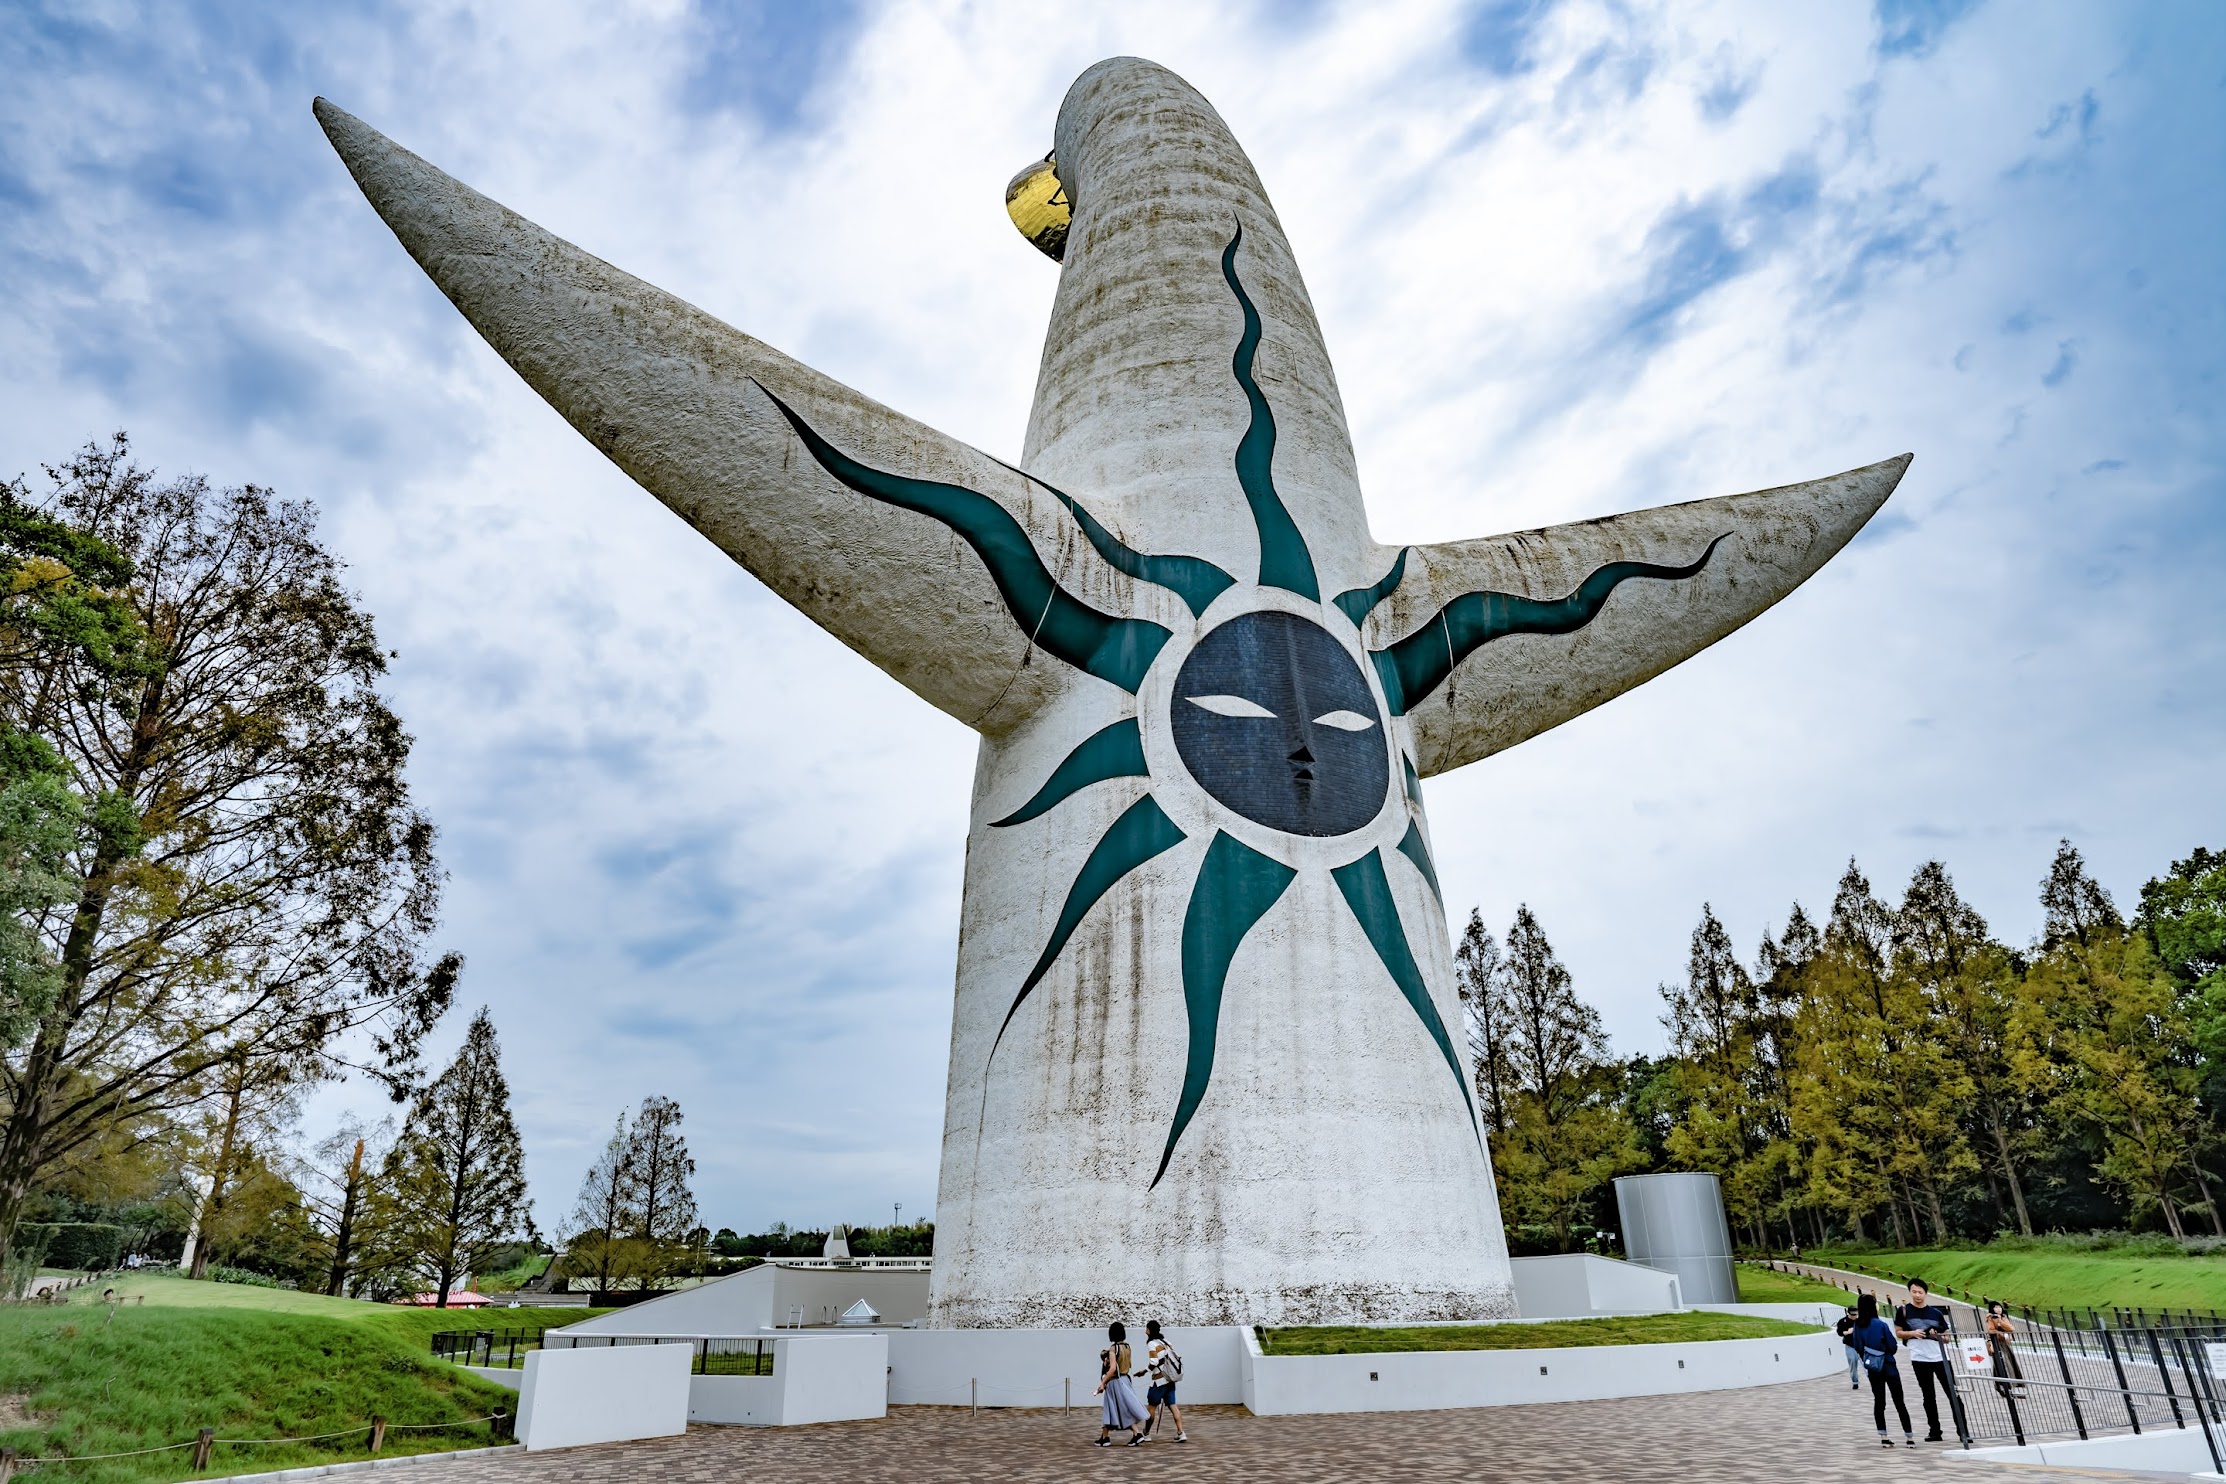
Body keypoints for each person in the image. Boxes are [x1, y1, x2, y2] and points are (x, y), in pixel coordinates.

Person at [1853, 1293, 1915, 1449]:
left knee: (1879, 1401)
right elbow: (1893, 1346)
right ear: (1872, 1306)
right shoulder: (1880, 1325)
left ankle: (1884, 1437)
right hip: (1888, 1365)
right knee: (1899, 1401)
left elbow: (1858, 1346)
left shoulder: (1857, 1326)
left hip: (1873, 1368)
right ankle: (1909, 1437)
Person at [1895, 1279, 1954, 1443]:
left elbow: (1947, 1337)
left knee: (1953, 1393)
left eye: (1920, 1292)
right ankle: (1935, 1432)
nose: (1917, 1295)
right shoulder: (1903, 1311)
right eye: (1914, 1292)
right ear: (1910, 1292)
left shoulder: (1936, 1313)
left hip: (1940, 1357)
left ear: (1926, 1293)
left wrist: (1938, 1335)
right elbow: (1898, 1333)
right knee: (1928, 1396)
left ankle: (1963, 1430)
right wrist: (1912, 1333)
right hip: (1919, 1358)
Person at [1095, 1321, 1147, 1447]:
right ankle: (1105, 1436)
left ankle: (1135, 1433)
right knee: (1120, 1408)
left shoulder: (1113, 1348)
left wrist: (1103, 1382)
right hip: (1125, 1380)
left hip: (1115, 1382)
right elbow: (1127, 1364)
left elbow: (1113, 1368)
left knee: (1113, 1408)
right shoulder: (1127, 1347)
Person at [1137, 1319, 1187, 1443]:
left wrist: (1144, 1371)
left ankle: (1146, 1433)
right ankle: (1181, 1432)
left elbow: (1154, 1362)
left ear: (1149, 1330)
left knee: (1152, 1407)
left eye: (1146, 1328)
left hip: (1158, 1381)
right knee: (1173, 1406)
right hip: (1170, 1379)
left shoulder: (1152, 1344)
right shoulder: (1166, 1342)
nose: (1145, 1330)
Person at [1983, 1300, 2027, 1399]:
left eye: (1999, 1307)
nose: (1998, 1309)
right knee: (2004, 1364)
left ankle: (2005, 1387)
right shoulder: (1990, 1318)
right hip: (1996, 1344)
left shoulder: (2003, 1318)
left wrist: (2000, 1322)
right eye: (1996, 1307)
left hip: (2005, 1344)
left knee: (2009, 1363)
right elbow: (1990, 1330)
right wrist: (2001, 1333)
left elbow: (2011, 1328)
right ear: (1992, 1309)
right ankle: (2007, 1388)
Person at [1836, 1305, 1864, 1389]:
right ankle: (1855, 1382)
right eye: (1852, 1314)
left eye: (1856, 1314)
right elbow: (1840, 1332)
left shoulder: (1860, 1321)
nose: (1854, 1316)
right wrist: (1848, 1332)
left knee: (1866, 1363)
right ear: (1848, 1313)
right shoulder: (1842, 1321)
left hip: (1861, 1345)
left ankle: (1873, 1380)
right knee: (1853, 1361)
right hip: (1850, 1345)